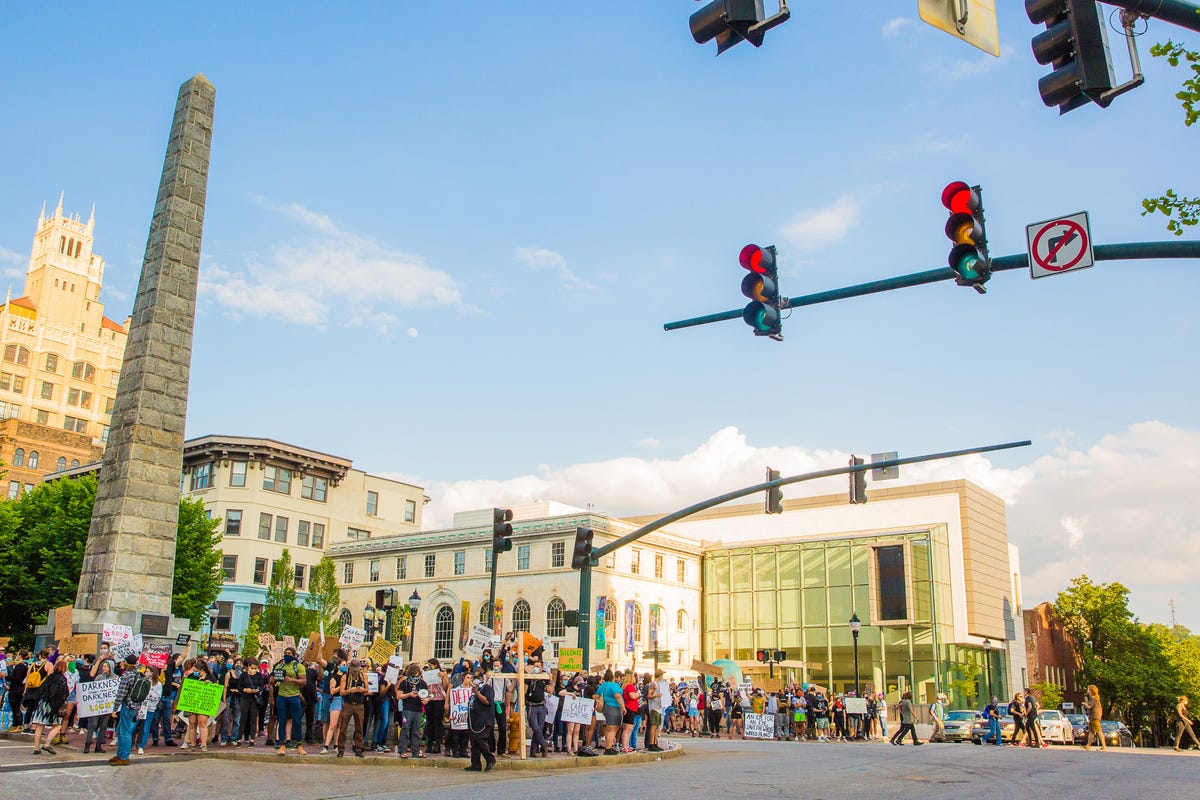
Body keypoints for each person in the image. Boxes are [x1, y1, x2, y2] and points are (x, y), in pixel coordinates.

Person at [111, 655, 146, 766]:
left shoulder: (127, 676)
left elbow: (121, 693)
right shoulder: (138, 675)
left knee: (124, 732)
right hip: (135, 706)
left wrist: (115, 708)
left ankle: (124, 757)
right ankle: (120, 754)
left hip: (127, 706)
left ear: (126, 663)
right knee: (121, 730)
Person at [272, 647, 307, 756]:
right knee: (282, 720)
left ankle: (299, 746)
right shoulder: (280, 665)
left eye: (289, 653)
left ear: (293, 655)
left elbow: (304, 681)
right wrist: (272, 679)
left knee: (296, 721)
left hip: (294, 696)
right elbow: (272, 678)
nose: (287, 655)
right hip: (282, 696)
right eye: (285, 653)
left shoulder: (298, 666)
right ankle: (282, 745)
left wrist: (292, 680)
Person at [31, 659, 69, 755]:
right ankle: (47, 744)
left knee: (40, 726)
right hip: (53, 704)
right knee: (58, 725)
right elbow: (63, 693)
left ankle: (36, 747)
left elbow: (42, 689)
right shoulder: (62, 679)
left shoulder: (50, 677)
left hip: (42, 703)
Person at [463, 669, 496, 772]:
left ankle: (490, 758)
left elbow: (487, 701)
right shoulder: (474, 690)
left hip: (484, 720)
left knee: (479, 739)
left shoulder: (487, 688)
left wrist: (476, 692)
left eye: (477, 678)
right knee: (474, 743)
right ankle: (475, 764)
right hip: (474, 720)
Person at [337, 658, 369, 758]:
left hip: (359, 704)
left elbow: (367, 689)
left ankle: (358, 748)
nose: (355, 670)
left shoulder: (363, 675)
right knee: (343, 727)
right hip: (348, 703)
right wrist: (350, 690)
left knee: (359, 727)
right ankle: (341, 749)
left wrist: (361, 690)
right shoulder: (345, 677)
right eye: (353, 667)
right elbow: (341, 692)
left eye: (357, 667)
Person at [83, 658, 116, 754]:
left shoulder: (115, 678)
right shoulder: (99, 678)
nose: (103, 668)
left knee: (103, 725)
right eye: (103, 666)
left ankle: (99, 745)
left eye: (105, 666)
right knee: (93, 724)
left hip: (108, 705)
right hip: (97, 705)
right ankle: (87, 744)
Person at [395, 663, 427, 758]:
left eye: (417, 675)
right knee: (405, 729)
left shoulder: (422, 683)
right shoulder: (404, 683)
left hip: (418, 710)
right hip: (407, 709)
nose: (415, 678)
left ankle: (415, 751)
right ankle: (402, 750)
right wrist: (409, 694)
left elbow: (426, 695)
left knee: (416, 731)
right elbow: (398, 696)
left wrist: (425, 700)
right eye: (413, 675)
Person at [236, 659, 264, 747]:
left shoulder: (259, 675)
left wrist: (257, 690)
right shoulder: (244, 675)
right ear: (248, 667)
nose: (253, 670)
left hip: (254, 699)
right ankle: (239, 739)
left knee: (253, 719)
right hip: (245, 698)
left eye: (255, 668)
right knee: (243, 718)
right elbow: (239, 686)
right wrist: (245, 689)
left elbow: (261, 686)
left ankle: (252, 739)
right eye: (252, 668)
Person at [423, 659, 448, 755]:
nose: (429, 667)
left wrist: (444, 677)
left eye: (430, 665)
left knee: (438, 722)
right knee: (430, 722)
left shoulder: (442, 673)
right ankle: (429, 744)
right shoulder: (426, 673)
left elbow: (445, 686)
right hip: (429, 699)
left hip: (439, 699)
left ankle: (438, 744)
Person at [598, 669, 623, 754]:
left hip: (606, 707)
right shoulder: (614, 685)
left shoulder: (603, 685)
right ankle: (608, 748)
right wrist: (623, 707)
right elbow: (617, 695)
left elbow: (596, 695)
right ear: (612, 678)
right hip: (614, 707)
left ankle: (609, 747)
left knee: (609, 729)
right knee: (613, 729)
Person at [1082, 684, 1106, 752]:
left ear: (1091, 691)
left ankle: (1104, 746)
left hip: (1094, 716)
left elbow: (1090, 706)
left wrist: (1085, 704)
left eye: (1088, 689)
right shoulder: (1095, 698)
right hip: (1093, 717)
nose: (1087, 690)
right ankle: (1088, 746)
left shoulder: (1093, 698)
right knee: (1091, 732)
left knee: (1099, 731)